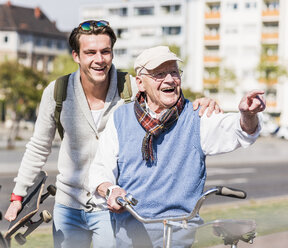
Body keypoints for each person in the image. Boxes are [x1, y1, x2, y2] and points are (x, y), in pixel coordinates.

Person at [4, 21, 220, 248]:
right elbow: (38, 147)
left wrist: (200, 103)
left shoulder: (133, 89)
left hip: (113, 208)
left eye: (105, 52)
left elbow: (169, 101)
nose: (99, 59)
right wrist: (18, 196)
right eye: (90, 52)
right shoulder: (57, 92)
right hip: (68, 208)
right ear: (76, 56)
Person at [88, 46, 266, 247]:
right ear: (140, 83)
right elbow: (100, 172)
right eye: (160, 74)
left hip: (181, 234)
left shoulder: (197, 115)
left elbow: (240, 131)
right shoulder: (120, 119)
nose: (170, 79)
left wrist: (248, 115)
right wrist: (111, 190)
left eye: (174, 72)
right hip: (130, 236)